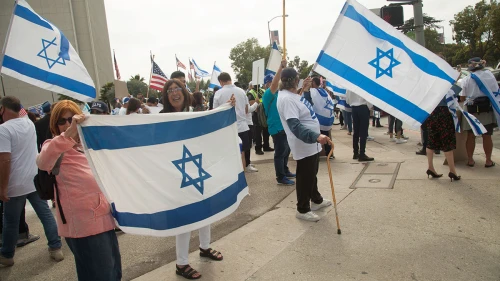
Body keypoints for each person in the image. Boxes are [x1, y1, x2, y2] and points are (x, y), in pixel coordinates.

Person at [37, 100, 121, 280]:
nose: (67, 124)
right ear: (55, 124)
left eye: (71, 119)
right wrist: (68, 134)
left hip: (104, 218)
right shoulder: (54, 145)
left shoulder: (86, 144)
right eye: (62, 121)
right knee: (102, 275)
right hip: (83, 224)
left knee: (113, 271)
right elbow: (43, 161)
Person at [161, 79, 229, 280]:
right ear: (166, 95)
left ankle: (205, 247)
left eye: (178, 89)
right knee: (185, 219)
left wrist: (227, 108)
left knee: (204, 210)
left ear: (184, 92)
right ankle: (181, 263)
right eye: (170, 90)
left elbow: (211, 128)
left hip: (197, 170)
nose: (174, 93)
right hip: (177, 174)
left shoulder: (194, 114)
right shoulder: (161, 118)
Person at [0, 96, 63, 266]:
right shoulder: (28, 123)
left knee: (10, 222)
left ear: (3, 109)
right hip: (34, 179)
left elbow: (4, 160)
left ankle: (6, 254)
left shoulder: (4, 130)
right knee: (46, 215)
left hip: (15, 183)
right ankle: (56, 247)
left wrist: (2, 187)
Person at [276, 69, 332, 222]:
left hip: (310, 143)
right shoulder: (286, 99)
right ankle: (302, 208)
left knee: (311, 173)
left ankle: (315, 199)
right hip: (304, 143)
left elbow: (297, 106)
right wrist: (316, 136)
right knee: (305, 175)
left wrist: (304, 89)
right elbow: (295, 126)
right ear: (294, 80)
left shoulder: (292, 95)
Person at [262, 60, 296, 185]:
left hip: (285, 126)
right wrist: (280, 68)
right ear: (268, 83)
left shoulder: (280, 94)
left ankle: (285, 170)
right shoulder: (268, 95)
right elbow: (276, 83)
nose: (275, 83)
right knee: (280, 152)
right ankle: (280, 177)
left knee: (286, 151)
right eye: (271, 82)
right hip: (276, 128)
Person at [460, 57, 498, 168]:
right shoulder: (489, 75)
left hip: (471, 110)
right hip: (486, 109)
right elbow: (495, 92)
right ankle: (488, 161)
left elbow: (462, 98)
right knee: (487, 136)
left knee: (471, 136)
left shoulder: (467, 79)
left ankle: (470, 160)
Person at [213, 73, 251, 174]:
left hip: (227, 128)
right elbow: (247, 109)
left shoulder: (218, 93)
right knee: (242, 154)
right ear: (230, 79)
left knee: (229, 155)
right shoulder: (242, 91)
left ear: (221, 82)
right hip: (242, 127)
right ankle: (242, 178)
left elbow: (215, 112)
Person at [425, 89, 461, 181]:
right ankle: (452, 171)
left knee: (431, 139)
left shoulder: (431, 82)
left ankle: (430, 167)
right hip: (444, 112)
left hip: (432, 111)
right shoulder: (446, 81)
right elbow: (455, 93)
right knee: (447, 140)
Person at [305, 77, 335, 159]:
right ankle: (330, 153)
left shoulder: (312, 92)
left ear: (314, 83)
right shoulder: (324, 91)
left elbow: (308, 103)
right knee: (326, 135)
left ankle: (316, 154)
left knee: (317, 137)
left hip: (318, 119)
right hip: (326, 119)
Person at [346, 91, 374, 161]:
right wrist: (370, 106)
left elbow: (347, 100)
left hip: (354, 108)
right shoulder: (363, 82)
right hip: (363, 107)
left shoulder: (350, 85)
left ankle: (355, 152)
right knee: (363, 132)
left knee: (356, 131)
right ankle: (362, 153)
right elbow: (368, 96)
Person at [248, 84, 273, 154]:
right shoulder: (251, 92)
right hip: (257, 114)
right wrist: (257, 103)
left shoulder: (263, 90)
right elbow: (252, 103)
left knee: (266, 130)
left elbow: (267, 100)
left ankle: (266, 146)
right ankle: (258, 148)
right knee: (258, 132)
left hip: (264, 112)